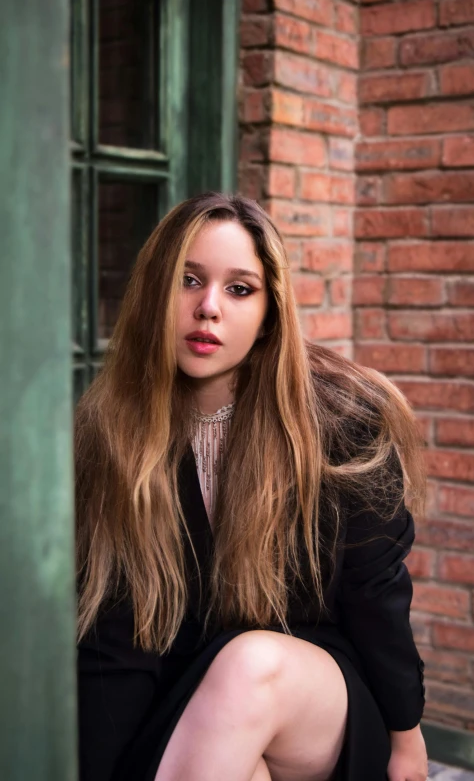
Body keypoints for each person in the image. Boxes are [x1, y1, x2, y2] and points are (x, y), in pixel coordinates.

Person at [76, 192, 428, 781]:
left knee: (249, 663)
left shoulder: (341, 422)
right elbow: (117, 642)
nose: (208, 307)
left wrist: (407, 739)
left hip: (316, 698)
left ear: (270, 311)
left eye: (240, 288)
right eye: (188, 280)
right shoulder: (113, 430)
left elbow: (377, 598)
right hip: (192, 707)